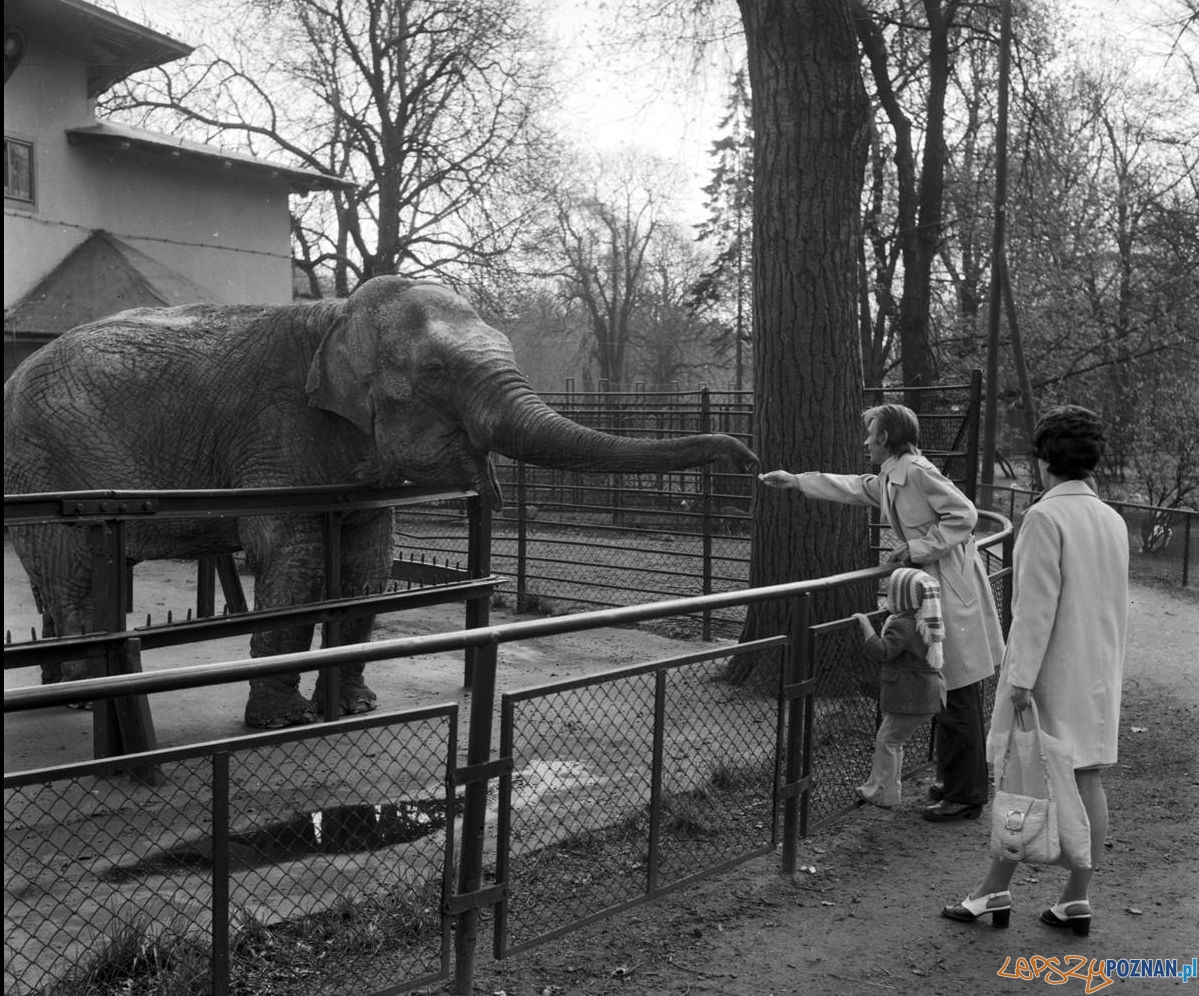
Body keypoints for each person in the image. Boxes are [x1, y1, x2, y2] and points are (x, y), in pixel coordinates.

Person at [760, 403, 1004, 822]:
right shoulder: (894, 476)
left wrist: (919, 547)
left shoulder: (917, 472)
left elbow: (964, 513)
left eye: (870, 433)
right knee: (943, 684)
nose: (865, 441)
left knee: (958, 688)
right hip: (934, 586)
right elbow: (856, 486)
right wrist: (797, 481)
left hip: (948, 586)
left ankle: (967, 793)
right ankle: (956, 783)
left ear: (886, 438)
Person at [940, 404, 1129, 936]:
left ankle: (991, 892)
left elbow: (1033, 611)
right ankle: (1075, 898)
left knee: (1023, 782)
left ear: (1043, 459)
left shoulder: (1046, 517)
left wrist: (1018, 680)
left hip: (1049, 673)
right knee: (1085, 776)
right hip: (1096, 671)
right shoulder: (1110, 519)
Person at [851, 568, 948, 809]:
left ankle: (881, 792)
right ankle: (887, 791)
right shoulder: (923, 621)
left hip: (909, 698)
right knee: (894, 742)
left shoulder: (903, 626)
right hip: (923, 697)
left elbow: (882, 651)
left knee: (887, 741)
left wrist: (866, 626)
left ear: (902, 597)